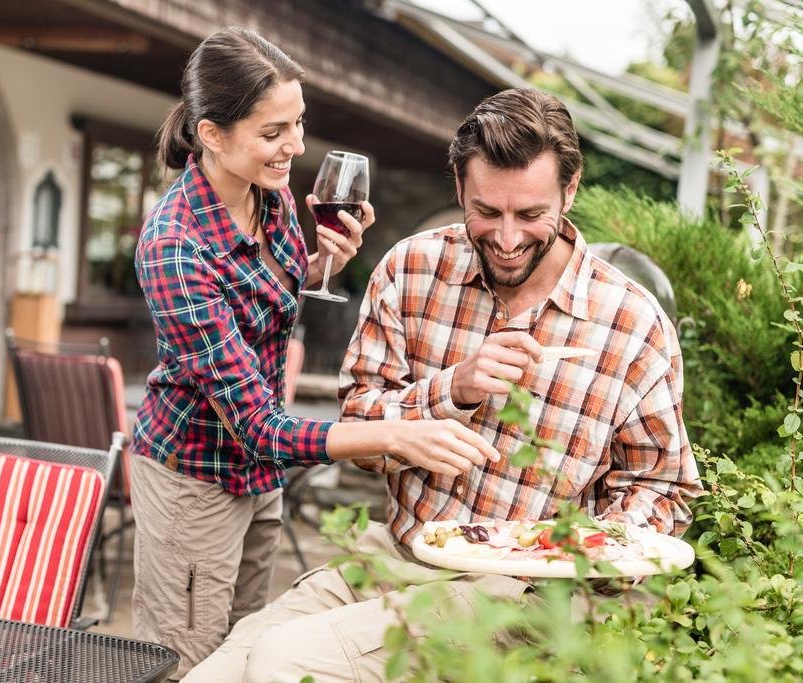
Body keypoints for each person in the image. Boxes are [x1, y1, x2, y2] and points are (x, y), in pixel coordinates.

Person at [184, 87, 705, 682]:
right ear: (458, 189)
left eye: (531, 215)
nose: (507, 239)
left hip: (525, 595)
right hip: (395, 558)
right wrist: (451, 389)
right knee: (214, 675)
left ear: (571, 190)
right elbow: (357, 427)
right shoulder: (410, 269)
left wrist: (587, 553)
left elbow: (663, 486)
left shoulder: (632, 323)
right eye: (487, 212)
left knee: (285, 664)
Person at [130, 27, 500, 679]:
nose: (295, 147)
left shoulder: (265, 196)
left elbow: (255, 294)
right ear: (211, 134)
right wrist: (394, 432)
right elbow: (258, 425)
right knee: (183, 663)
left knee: (242, 648)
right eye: (274, 132)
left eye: (299, 124)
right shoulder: (174, 247)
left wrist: (316, 263)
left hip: (256, 475)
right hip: (193, 480)